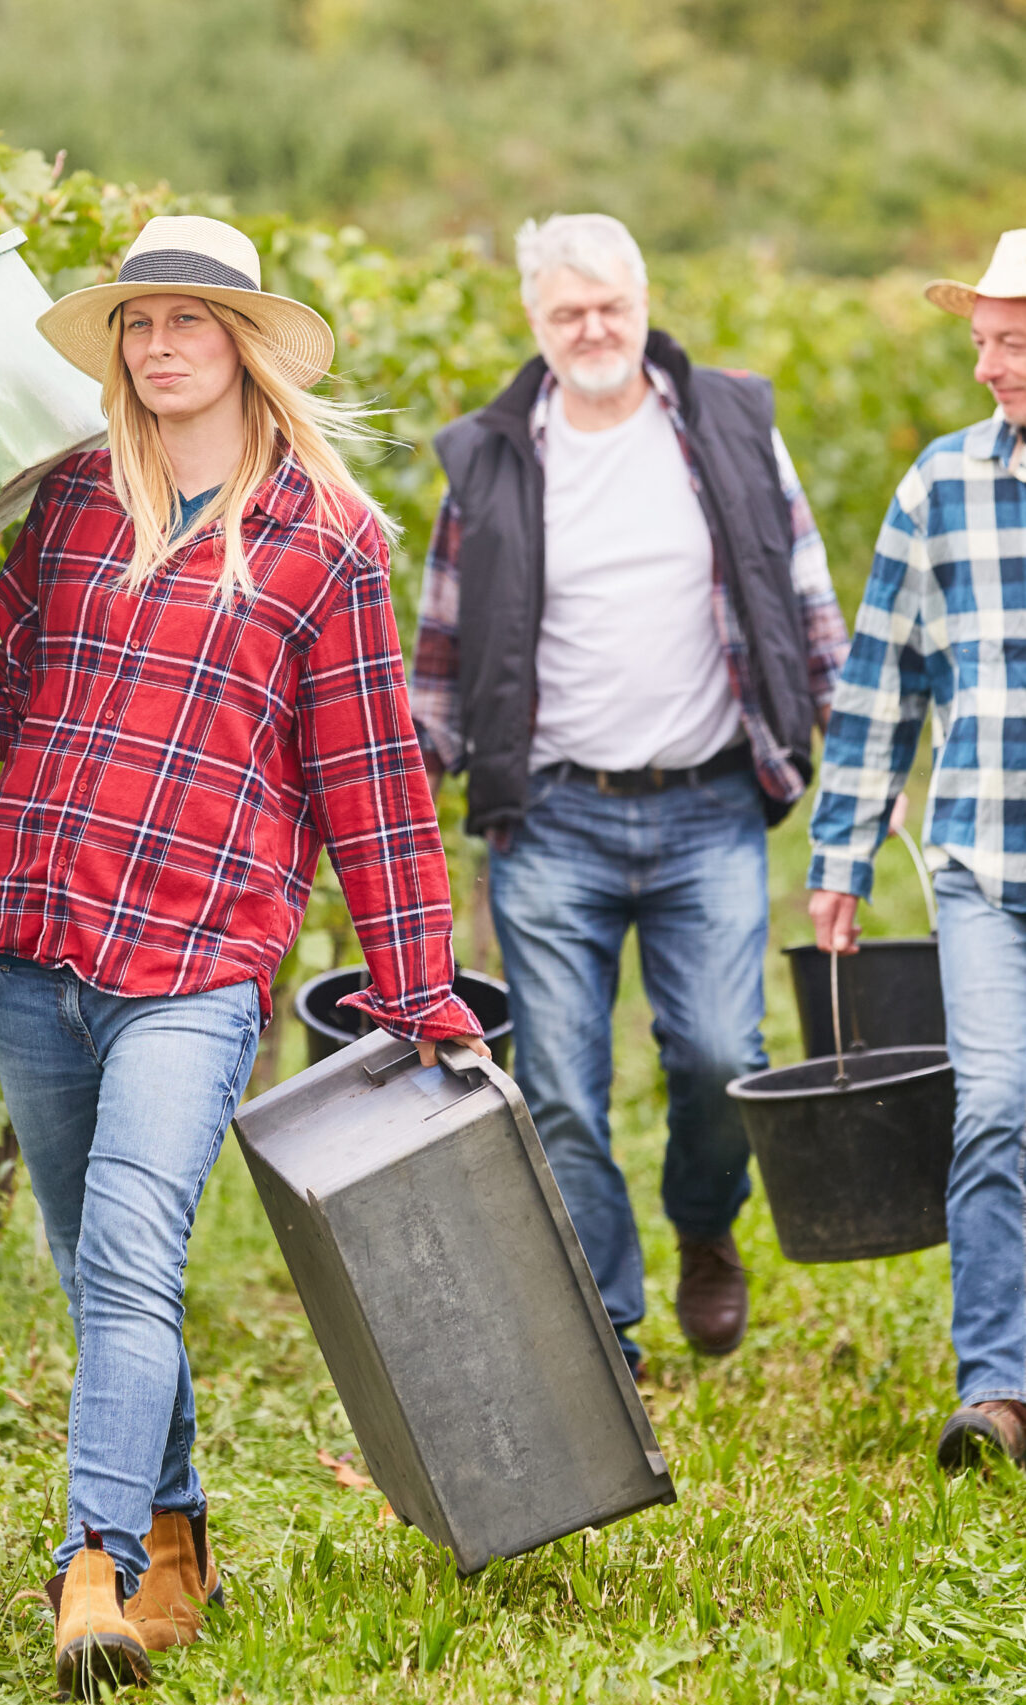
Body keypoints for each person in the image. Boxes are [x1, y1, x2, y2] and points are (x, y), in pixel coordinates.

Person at [0, 215, 485, 1696]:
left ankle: (95, 1569)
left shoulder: (330, 543)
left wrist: (419, 986)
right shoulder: (71, 503)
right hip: (34, 939)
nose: (158, 344)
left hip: (196, 958)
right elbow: (23, 698)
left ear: (246, 345)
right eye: (138, 322)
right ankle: (179, 1523)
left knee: (133, 1256)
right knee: (98, 1270)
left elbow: (370, 786)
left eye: (188, 320)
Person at [409, 213, 847, 1379]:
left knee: (714, 1054)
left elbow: (801, 595)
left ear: (643, 301)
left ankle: (704, 1227)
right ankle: (604, 1326)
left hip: (707, 800)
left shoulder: (728, 424)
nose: (592, 329)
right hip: (549, 817)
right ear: (534, 323)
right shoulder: (491, 455)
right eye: (566, 313)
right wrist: (396, 803)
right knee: (557, 1085)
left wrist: (846, 757)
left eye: (609, 305)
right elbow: (441, 654)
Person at [809, 229, 1026, 1473]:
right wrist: (838, 854)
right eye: (981, 340)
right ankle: (994, 1387)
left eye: (1009, 341)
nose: (988, 362)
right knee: (994, 1107)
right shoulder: (938, 485)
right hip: (980, 860)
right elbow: (879, 679)